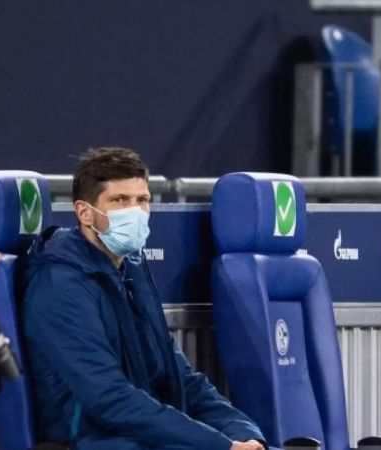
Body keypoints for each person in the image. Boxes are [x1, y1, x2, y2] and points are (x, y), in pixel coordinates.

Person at [22, 148, 267, 450]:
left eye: (142, 200)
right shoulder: (58, 286)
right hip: (89, 441)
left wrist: (243, 434)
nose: (134, 211)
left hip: (138, 436)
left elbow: (182, 379)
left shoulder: (131, 267)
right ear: (85, 213)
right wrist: (218, 446)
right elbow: (109, 399)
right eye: (120, 200)